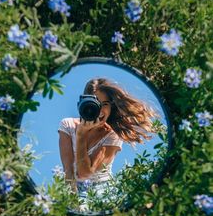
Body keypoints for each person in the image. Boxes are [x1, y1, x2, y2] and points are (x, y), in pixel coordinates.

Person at [58, 78, 156, 208]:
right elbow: (68, 171)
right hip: (73, 189)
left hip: (103, 192)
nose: (99, 110)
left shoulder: (112, 134)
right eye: (95, 103)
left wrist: (81, 135)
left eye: (104, 104)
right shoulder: (67, 125)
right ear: (83, 104)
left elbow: (85, 173)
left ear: (111, 107)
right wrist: (72, 203)